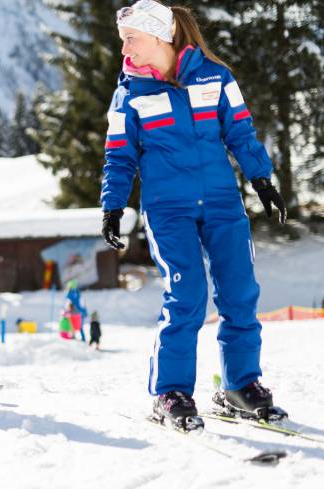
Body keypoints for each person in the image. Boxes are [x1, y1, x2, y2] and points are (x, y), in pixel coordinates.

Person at [101, 1, 287, 426]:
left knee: (240, 294)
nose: (125, 47)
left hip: (223, 203)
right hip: (169, 211)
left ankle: (240, 386)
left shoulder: (215, 77)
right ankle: (170, 393)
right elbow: (118, 155)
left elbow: (240, 130)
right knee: (186, 298)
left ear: (160, 36)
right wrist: (113, 205)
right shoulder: (129, 93)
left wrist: (262, 179)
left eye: (131, 38)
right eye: (122, 40)